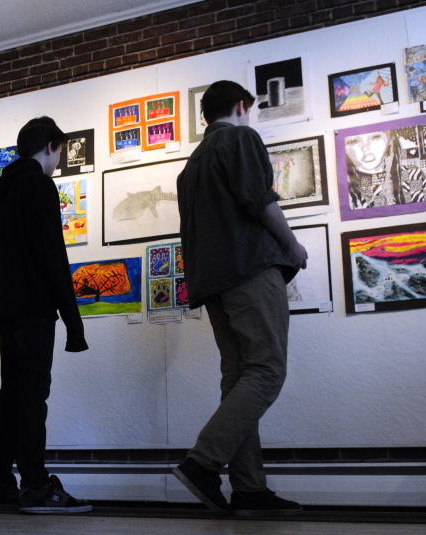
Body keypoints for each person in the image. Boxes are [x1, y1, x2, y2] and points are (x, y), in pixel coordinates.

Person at [173, 80, 307, 517]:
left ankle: (249, 490)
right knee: (267, 370)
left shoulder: (191, 165)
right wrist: (292, 245)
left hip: (214, 284)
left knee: (238, 381)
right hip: (249, 272)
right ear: (240, 106)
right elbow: (258, 200)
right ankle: (202, 462)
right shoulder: (240, 137)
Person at [0, 116, 91, 514]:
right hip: (33, 310)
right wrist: (73, 322)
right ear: (50, 147)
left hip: (8, 312)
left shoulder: (5, 192)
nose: (59, 161)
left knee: (11, 395)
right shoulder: (39, 186)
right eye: (60, 152)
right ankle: (36, 485)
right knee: (31, 397)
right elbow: (52, 256)